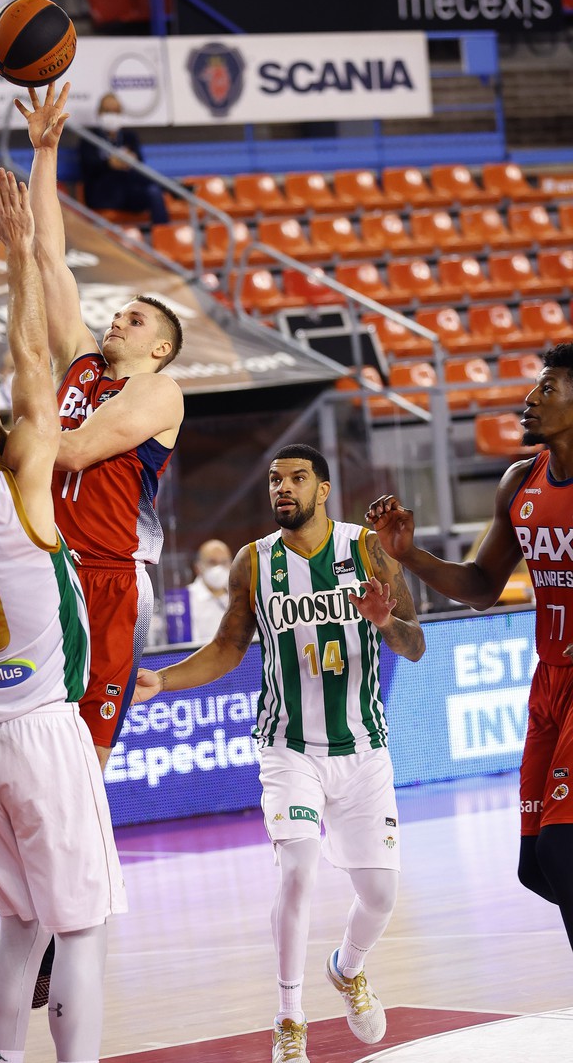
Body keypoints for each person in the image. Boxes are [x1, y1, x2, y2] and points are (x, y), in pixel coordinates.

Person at [0, 80, 184, 968]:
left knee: (84, 754)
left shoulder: (160, 392)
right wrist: (47, 150)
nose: (117, 316)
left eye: (135, 317)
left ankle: (54, 921)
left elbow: (74, 454)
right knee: (17, 735)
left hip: (107, 577)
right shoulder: (85, 362)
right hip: (41, 564)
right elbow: (50, 256)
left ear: (158, 345)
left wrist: (19, 437)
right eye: (116, 311)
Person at [0, 169, 126, 1063]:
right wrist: (14, 261)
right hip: (43, 731)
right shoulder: (21, 489)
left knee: (20, 927)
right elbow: (31, 362)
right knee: (78, 932)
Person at [135, 445, 425, 1063]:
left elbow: (416, 643)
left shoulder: (366, 548)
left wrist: (383, 622)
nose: (283, 488)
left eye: (297, 479)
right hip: (287, 745)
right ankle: (289, 1017)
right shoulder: (253, 562)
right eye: (274, 479)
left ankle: (347, 969)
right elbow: (227, 647)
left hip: (364, 748)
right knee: (297, 870)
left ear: (323, 489)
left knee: (380, 896)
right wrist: (165, 679)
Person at [366, 341, 573, 953]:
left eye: (549, 390)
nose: (529, 400)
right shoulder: (520, 482)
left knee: (564, 849)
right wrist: (409, 556)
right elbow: (481, 586)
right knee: (536, 863)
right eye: (533, 388)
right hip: (550, 681)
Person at [79, 91, 170, 225]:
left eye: (116, 111)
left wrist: (130, 161)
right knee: (150, 185)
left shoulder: (129, 137)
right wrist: (109, 164)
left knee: (153, 191)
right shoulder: (89, 138)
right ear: (99, 113)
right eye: (107, 111)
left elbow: (140, 164)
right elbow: (87, 168)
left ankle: (163, 238)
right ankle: (172, 186)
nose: (112, 115)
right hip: (104, 193)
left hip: (129, 191)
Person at [186, 538, 233, 642]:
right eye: (212, 562)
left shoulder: (240, 595)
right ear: (197, 567)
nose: (219, 568)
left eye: (224, 562)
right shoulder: (187, 600)